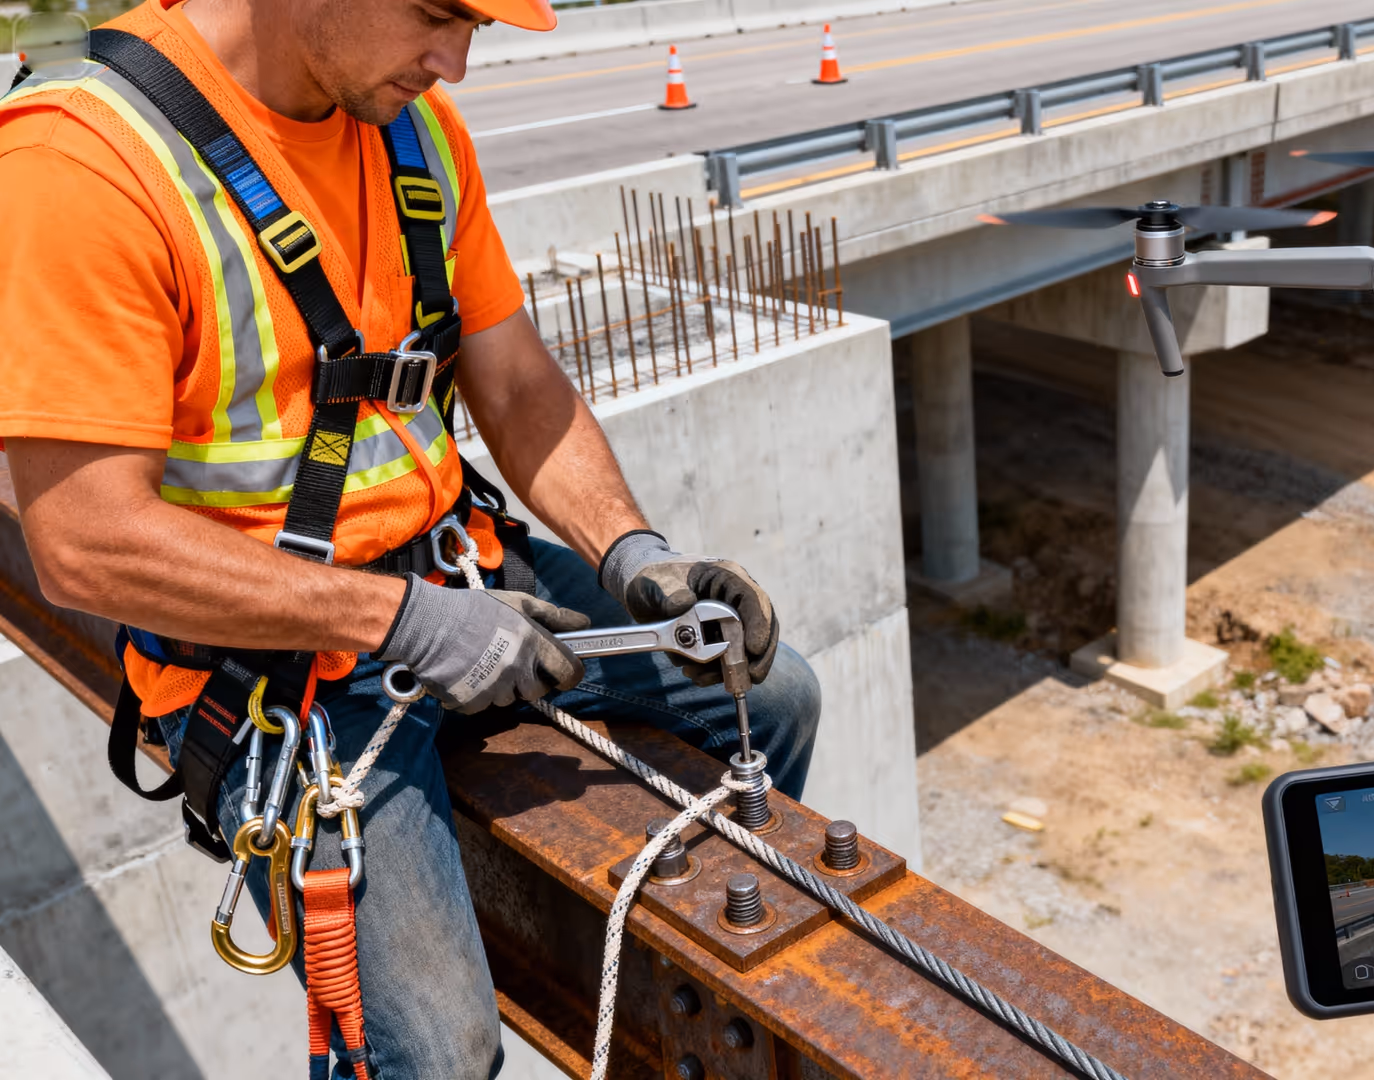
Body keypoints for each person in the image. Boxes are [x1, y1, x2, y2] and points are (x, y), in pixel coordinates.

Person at [0, 0, 819, 1075]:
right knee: (434, 1051)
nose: (457, 63)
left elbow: (518, 386)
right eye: (438, 16)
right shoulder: (87, 164)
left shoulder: (414, 132)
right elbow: (84, 542)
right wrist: (400, 619)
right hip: (274, 657)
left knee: (775, 691)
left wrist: (632, 553)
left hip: (458, 575)